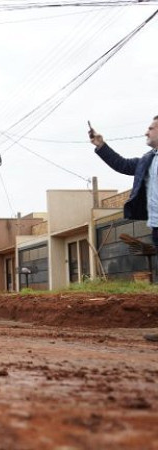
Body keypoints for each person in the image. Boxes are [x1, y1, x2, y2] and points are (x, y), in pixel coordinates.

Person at [91, 115, 158, 343]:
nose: (146, 132)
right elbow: (121, 164)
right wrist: (101, 145)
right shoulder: (147, 161)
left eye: (150, 128)